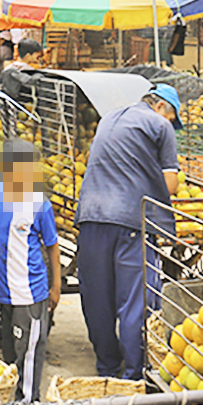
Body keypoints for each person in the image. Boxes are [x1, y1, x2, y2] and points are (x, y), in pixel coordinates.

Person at [76, 84, 182, 379]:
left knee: (97, 296)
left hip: (90, 217)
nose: (172, 123)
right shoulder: (161, 124)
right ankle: (134, 375)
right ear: (162, 107)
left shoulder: (108, 118)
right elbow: (170, 185)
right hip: (130, 222)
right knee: (135, 301)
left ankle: (107, 366)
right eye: (174, 117)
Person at [0, 139, 61, 403]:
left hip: (30, 294)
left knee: (29, 352)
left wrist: (56, 287)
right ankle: (10, 399)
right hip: (1, 293)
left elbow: (52, 246)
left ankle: (28, 403)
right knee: (7, 350)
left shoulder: (39, 204)